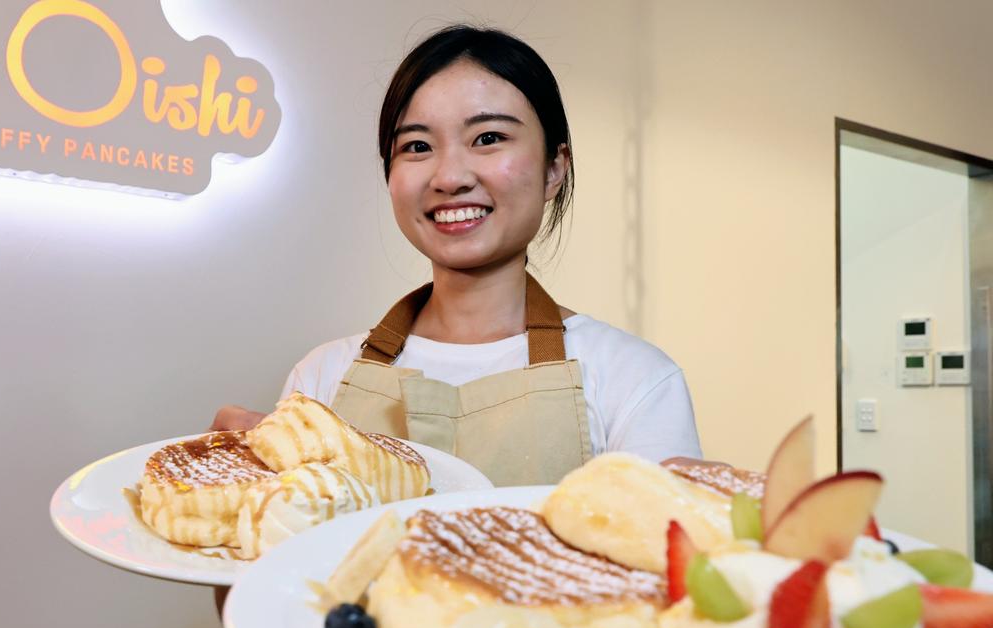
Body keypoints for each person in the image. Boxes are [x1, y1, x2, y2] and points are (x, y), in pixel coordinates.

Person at [212, 25, 702, 487]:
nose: (449, 176)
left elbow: (656, 570)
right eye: (418, 145)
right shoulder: (320, 377)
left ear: (555, 168)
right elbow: (270, 570)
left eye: (488, 138)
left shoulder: (633, 379)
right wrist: (239, 506)